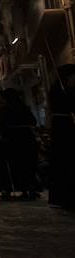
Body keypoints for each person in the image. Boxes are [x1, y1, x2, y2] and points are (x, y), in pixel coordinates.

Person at [0, 88, 40, 200]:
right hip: (26, 138)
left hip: (13, 140)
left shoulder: (5, 110)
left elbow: (2, 125)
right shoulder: (24, 108)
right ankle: (31, 188)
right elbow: (33, 121)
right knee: (29, 164)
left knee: (17, 165)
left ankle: (24, 189)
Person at [46, 64, 75, 209]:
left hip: (62, 125)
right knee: (65, 160)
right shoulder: (60, 91)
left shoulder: (60, 89)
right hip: (63, 127)